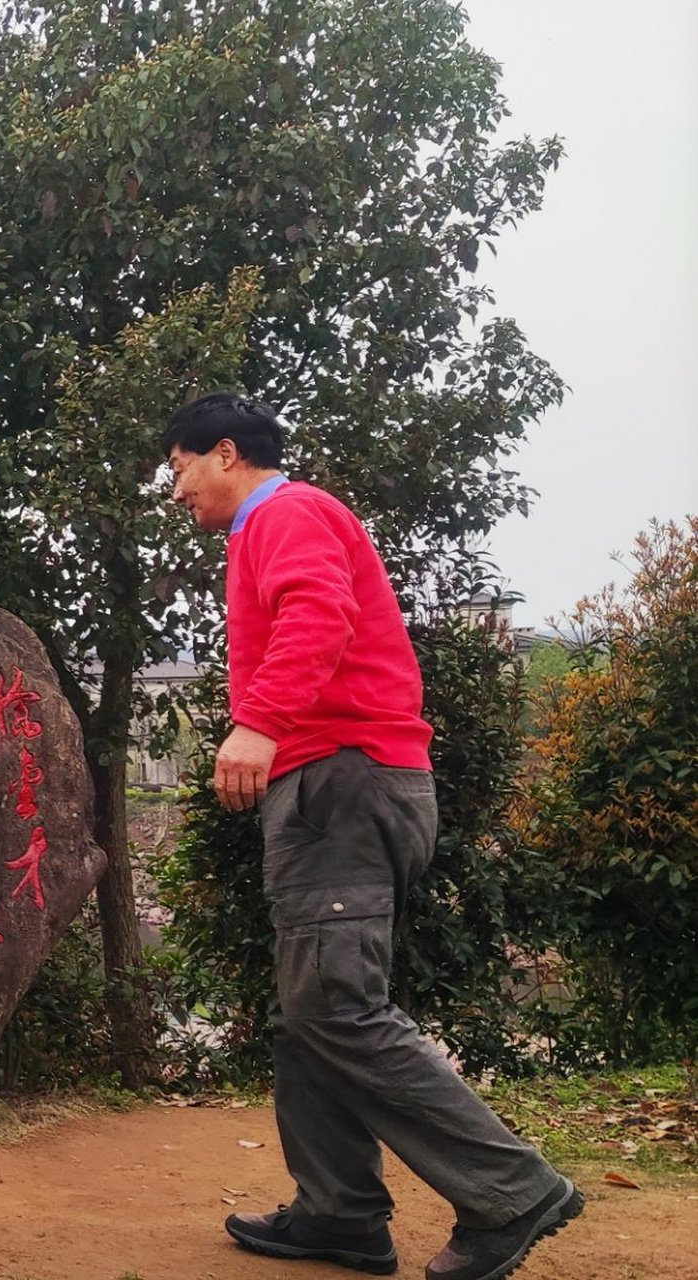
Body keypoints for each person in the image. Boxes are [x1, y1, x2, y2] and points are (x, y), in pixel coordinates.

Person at [163, 392, 581, 1280]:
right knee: (305, 1010)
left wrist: (259, 721)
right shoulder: (270, 526)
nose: (176, 490)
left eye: (178, 467)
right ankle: (340, 1213)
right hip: (337, 783)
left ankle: (511, 1190)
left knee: (336, 1007)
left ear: (224, 452)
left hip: (340, 780)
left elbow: (321, 614)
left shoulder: (287, 512)